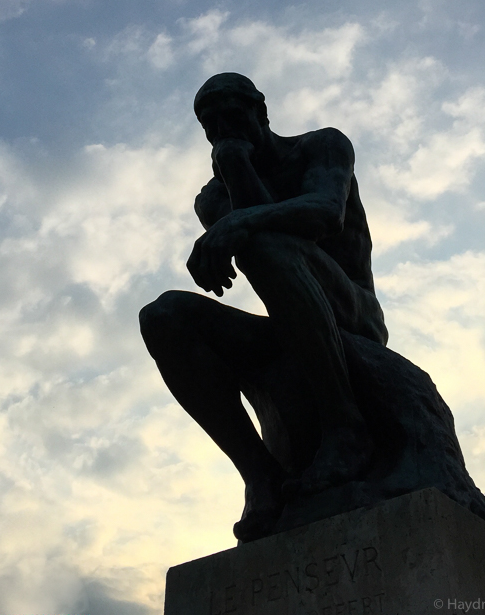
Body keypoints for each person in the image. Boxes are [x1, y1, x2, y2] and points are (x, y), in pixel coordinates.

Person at [139, 72, 388, 542]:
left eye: (232, 112)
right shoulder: (215, 197)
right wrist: (235, 171)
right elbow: (255, 225)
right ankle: (259, 475)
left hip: (351, 311)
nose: (222, 127)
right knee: (162, 315)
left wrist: (243, 220)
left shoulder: (322, 146)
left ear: (261, 109)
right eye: (209, 122)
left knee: (264, 241)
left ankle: (345, 427)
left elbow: (323, 213)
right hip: (287, 325)